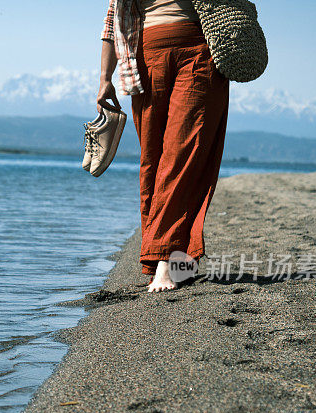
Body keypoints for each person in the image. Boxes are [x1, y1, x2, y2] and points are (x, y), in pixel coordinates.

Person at [97, 0, 229, 292]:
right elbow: (112, 19)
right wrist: (104, 78)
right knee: (152, 162)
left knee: (184, 155)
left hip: (200, 50)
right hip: (144, 55)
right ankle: (172, 258)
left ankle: (166, 262)